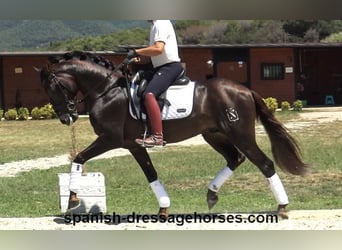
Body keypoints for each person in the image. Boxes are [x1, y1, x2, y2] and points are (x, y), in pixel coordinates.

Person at [126, 20, 183, 147]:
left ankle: (157, 136)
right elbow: (152, 56)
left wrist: (137, 51)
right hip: (159, 67)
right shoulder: (154, 26)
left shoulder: (160, 23)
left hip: (169, 67)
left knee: (149, 94)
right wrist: (133, 59)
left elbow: (158, 49)